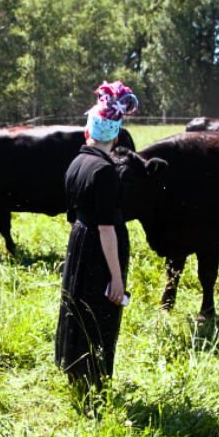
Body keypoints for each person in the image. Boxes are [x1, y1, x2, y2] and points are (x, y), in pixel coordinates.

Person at [55, 81, 139, 400]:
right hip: (100, 250)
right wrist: (117, 279)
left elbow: (74, 216)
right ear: (115, 135)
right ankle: (95, 385)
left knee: (80, 307)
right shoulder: (105, 170)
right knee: (101, 311)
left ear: (89, 131)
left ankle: (78, 374)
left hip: (80, 242)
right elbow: (107, 229)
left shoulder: (77, 162)